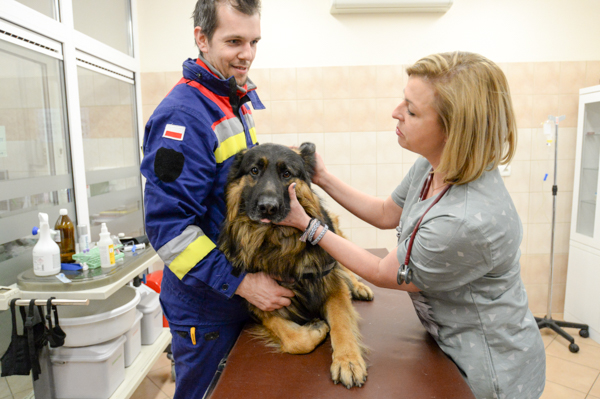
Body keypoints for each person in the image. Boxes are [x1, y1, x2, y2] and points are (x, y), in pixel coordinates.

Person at [277, 52, 546, 399]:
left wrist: (308, 226)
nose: (395, 112)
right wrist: (323, 178)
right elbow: (387, 212)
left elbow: (381, 269)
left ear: (453, 131)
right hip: (445, 342)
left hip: (489, 370)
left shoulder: (466, 221)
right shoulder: (435, 166)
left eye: (412, 110)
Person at [140, 1, 294, 397]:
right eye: (234, 41)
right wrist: (242, 283)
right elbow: (169, 230)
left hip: (235, 294)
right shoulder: (183, 117)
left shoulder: (232, 99)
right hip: (207, 305)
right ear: (202, 39)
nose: (247, 54)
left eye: (254, 41)